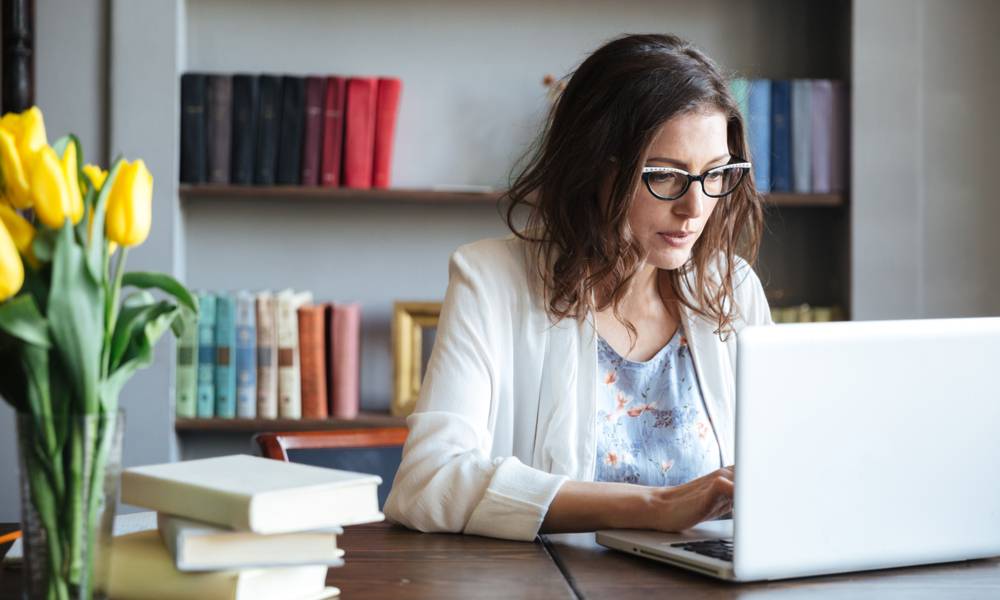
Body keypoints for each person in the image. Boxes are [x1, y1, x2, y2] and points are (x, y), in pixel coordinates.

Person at [384, 33, 771, 541]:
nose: (694, 208)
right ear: (595, 169)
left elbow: (781, 468)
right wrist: (657, 505)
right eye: (664, 176)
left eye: (716, 175)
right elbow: (428, 482)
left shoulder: (732, 287)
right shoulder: (491, 280)